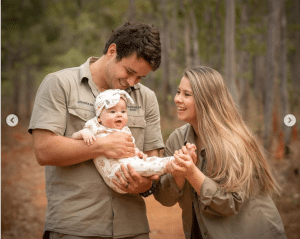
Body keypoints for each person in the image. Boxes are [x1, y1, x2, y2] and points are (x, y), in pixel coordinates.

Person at [29, 22, 164, 239]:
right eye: (129, 71)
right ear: (112, 51)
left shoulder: (146, 98)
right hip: (75, 227)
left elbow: (153, 159)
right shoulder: (60, 84)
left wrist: (145, 184)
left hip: (133, 229)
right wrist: (102, 146)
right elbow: (44, 150)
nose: (131, 82)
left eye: (139, 77)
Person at [154, 66, 287, 239]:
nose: (177, 99)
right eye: (178, 92)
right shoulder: (177, 140)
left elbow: (229, 204)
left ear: (206, 100)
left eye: (187, 95)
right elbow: (165, 198)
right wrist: (179, 175)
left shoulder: (235, 142)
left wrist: (192, 173)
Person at [72, 89, 175, 194]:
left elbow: (131, 148)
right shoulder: (95, 126)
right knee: (137, 167)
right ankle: (169, 165)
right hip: (115, 174)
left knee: (148, 161)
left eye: (123, 111)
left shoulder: (125, 130)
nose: (119, 115)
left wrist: (139, 153)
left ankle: (174, 160)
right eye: (112, 111)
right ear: (99, 117)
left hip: (129, 169)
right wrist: (85, 133)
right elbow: (75, 136)